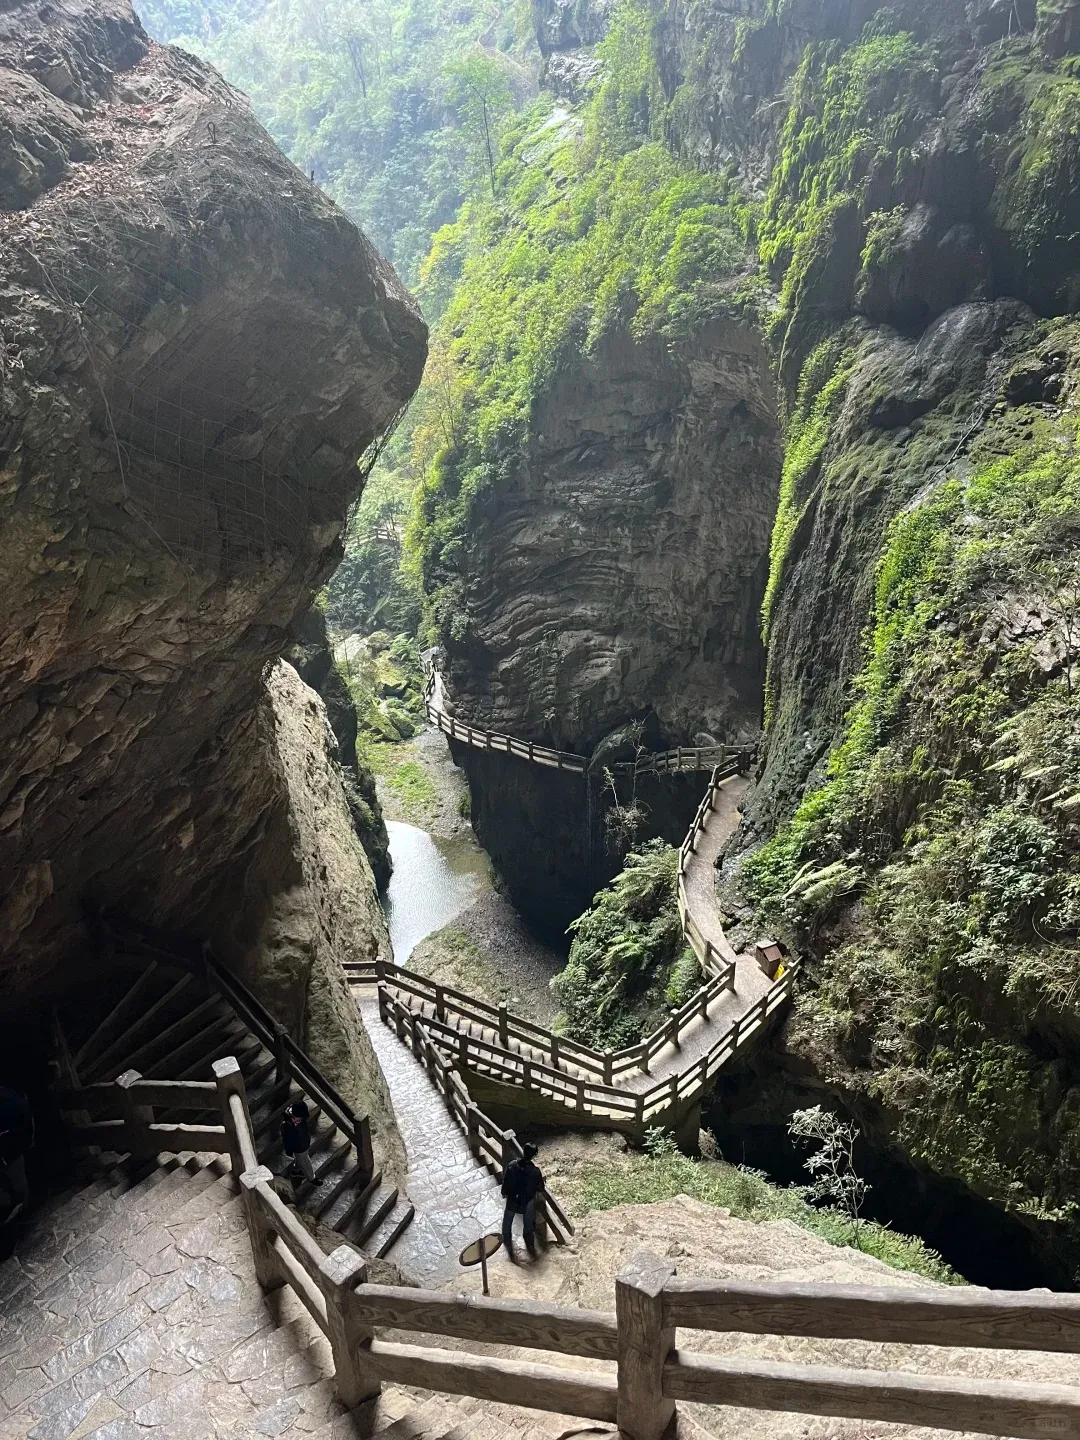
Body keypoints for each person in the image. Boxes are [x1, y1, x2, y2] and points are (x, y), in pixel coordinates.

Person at [501, 1141, 544, 1261]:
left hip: (513, 1198)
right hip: (527, 1200)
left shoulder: (512, 1165)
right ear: (533, 1155)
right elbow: (540, 1188)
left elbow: (506, 1181)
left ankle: (506, 1236)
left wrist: (504, 1192)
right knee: (528, 1221)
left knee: (508, 1219)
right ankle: (528, 1237)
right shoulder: (535, 1172)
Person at [0, 1087, 33, 1224]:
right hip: (11, 1144)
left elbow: (23, 1131)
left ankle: (21, 1219)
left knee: (19, 1191)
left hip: (11, 1147)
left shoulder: (9, 1103)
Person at [280, 1099, 316, 1183]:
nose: (299, 1120)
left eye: (301, 1118)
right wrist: (289, 1150)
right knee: (306, 1162)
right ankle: (311, 1178)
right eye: (298, 1118)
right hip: (299, 1148)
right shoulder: (287, 1126)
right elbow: (287, 1140)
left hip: (303, 1144)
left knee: (301, 1159)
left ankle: (297, 1170)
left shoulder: (299, 1117)